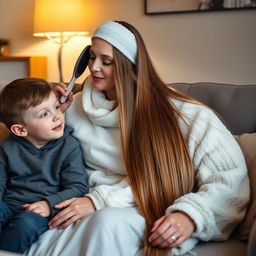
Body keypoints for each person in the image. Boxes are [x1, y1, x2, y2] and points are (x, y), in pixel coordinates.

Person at [27, 21, 249, 256]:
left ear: (129, 65)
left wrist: (190, 216)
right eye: (91, 57)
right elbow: (38, 161)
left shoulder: (186, 116)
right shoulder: (75, 108)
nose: (94, 68)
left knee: (108, 224)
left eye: (107, 61)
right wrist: (54, 116)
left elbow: (229, 182)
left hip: (143, 206)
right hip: (79, 203)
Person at [0, 78, 89, 254]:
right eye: (44, 114)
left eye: (56, 107)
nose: (57, 116)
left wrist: (49, 204)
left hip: (43, 209)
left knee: (26, 225)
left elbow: (78, 187)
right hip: (10, 203)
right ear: (20, 130)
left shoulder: (69, 146)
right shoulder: (7, 147)